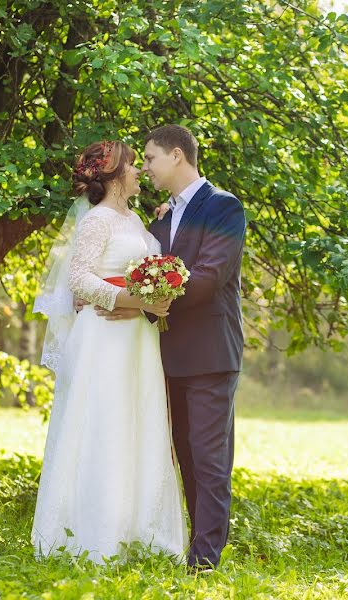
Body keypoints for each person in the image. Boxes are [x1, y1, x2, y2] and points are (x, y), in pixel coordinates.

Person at [95, 125, 246, 571]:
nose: (145, 167)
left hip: (211, 353)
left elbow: (209, 276)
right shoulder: (161, 217)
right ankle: (195, 545)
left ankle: (204, 560)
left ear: (177, 156)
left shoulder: (224, 207)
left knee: (209, 457)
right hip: (168, 355)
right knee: (184, 454)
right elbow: (153, 266)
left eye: (150, 158)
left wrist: (143, 304)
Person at [31, 140, 187, 564]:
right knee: (103, 423)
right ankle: (94, 534)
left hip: (137, 338)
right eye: (135, 167)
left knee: (137, 419)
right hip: (103, 336)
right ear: (117, 176)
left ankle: (137, 527)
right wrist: (134, 303)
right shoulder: (98, 220)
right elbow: (79, 279)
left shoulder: (134, 219)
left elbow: (142, 267)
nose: (140, 173)